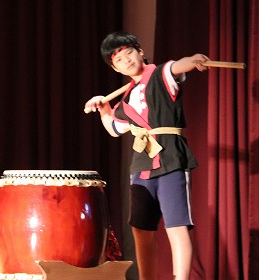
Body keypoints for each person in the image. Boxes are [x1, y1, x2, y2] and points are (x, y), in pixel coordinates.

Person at [84, 31, 210, 280]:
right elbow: (114, 129)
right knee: (141, 230)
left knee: (176, 226)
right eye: (119, 60)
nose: (127, 61)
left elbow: (179, 66)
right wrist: (104, 108)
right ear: (115, 68)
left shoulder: (161, 75)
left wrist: (193, 60)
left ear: (140, 51)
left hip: (171, 158)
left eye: (129, 53)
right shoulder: (126, 98)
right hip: (142, 164)